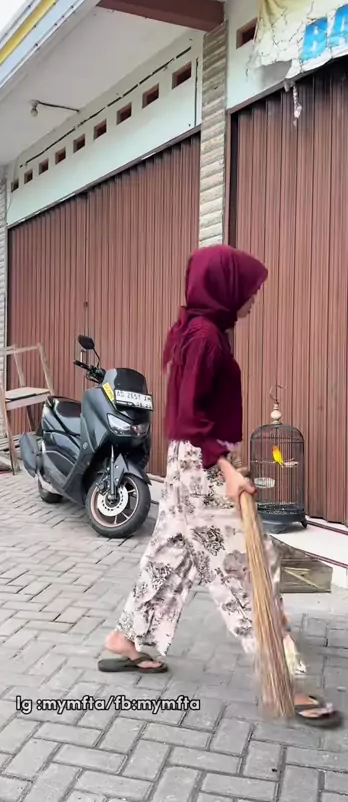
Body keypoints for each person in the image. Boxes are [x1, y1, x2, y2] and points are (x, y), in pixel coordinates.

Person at [98, 244, 341, 728]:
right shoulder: (206, 338)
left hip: (192, 462)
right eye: (248, 290)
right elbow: (191, 419)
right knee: (248, 568)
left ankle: (126, 639)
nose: (253, 299)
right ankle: (283, 675)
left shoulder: (201, 331)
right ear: (224, 288)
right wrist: (227, 470)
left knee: (169, 555)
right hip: (202, 465)